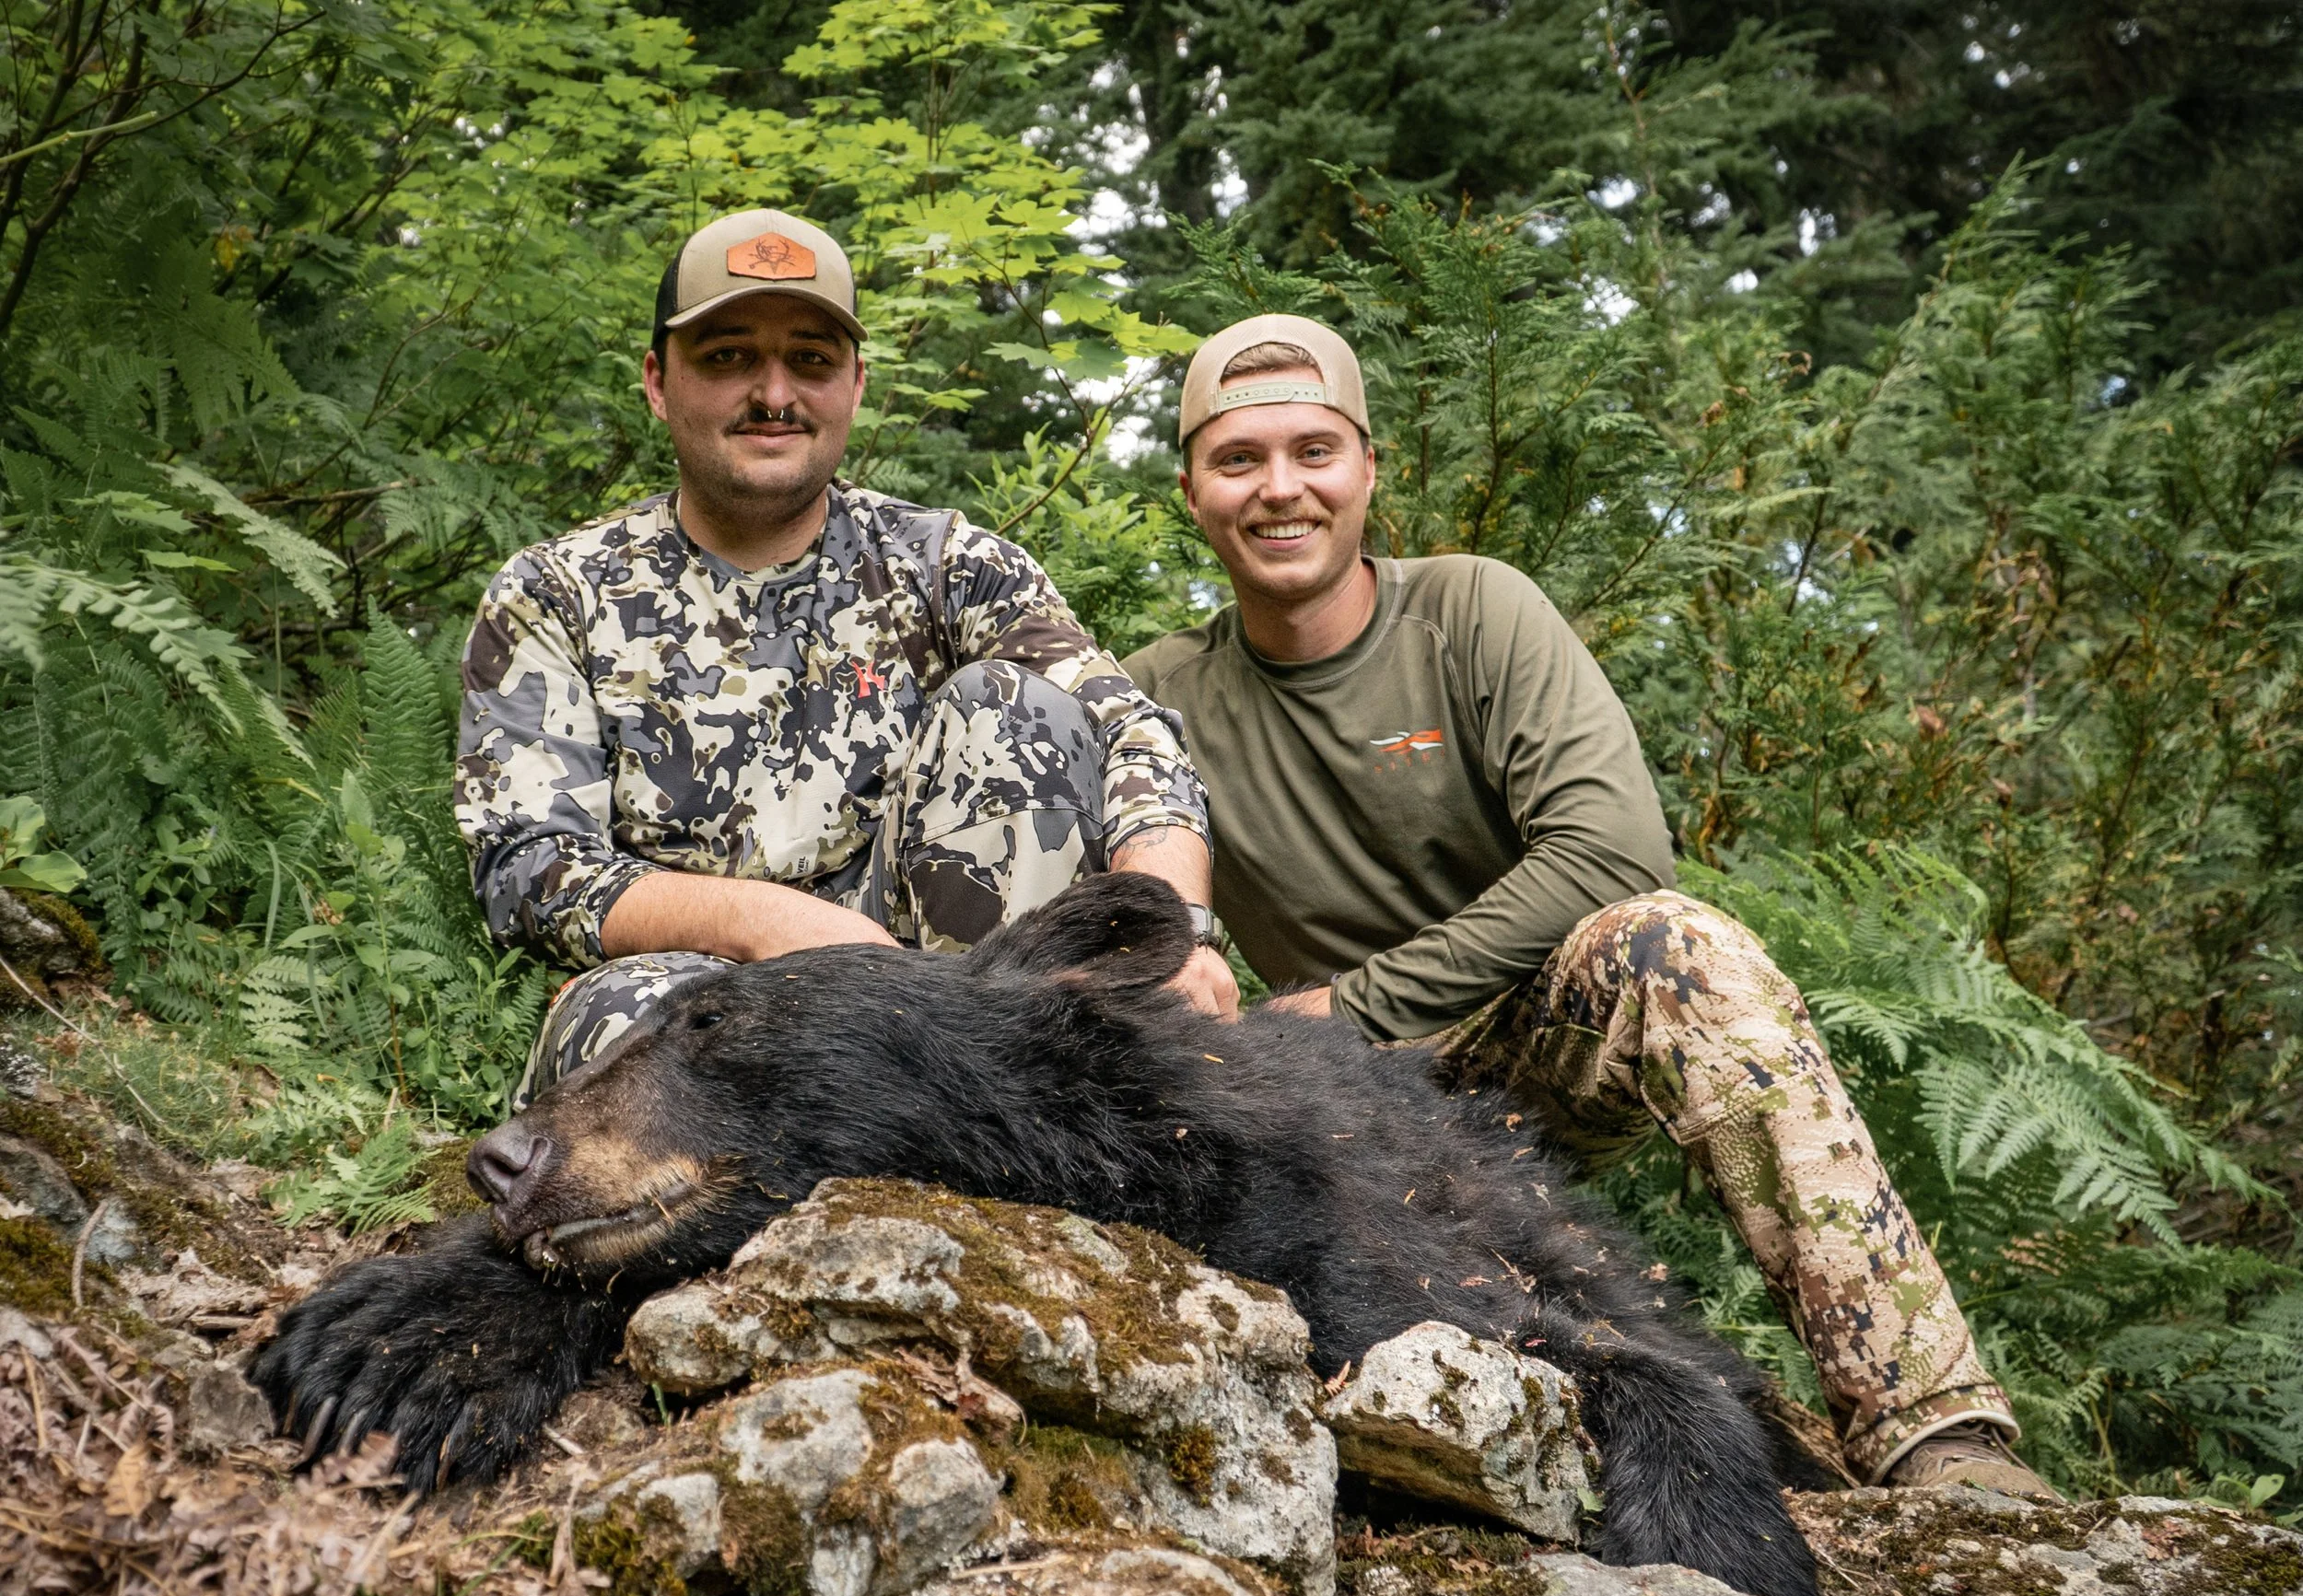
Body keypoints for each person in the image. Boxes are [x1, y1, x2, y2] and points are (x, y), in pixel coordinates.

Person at [1123, 313, 2056, 1497]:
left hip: (1528, 1037)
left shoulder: (1470, 614)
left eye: (1314, 451)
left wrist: (1352, 1005)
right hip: (1345, 1116)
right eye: (1238, 459)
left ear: (1367, 468)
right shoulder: (1155, 692)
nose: (1280, 489)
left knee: (1676, 945)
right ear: (1193, 489)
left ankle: (1938, 1438)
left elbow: (1615, 850)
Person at [455, 208, 1236, 1105]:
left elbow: (1131, 733)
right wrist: (767, 922)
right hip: (697, 993)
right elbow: (529, 863)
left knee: (1016, 710)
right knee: (615, 1031)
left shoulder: (945, 563)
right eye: (728, 356)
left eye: (811, 361)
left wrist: (1172, 933)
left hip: (949, 996)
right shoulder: (557, 592)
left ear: (856, 385)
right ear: (657, 382)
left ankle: (1008, 1138)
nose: (774, 393)